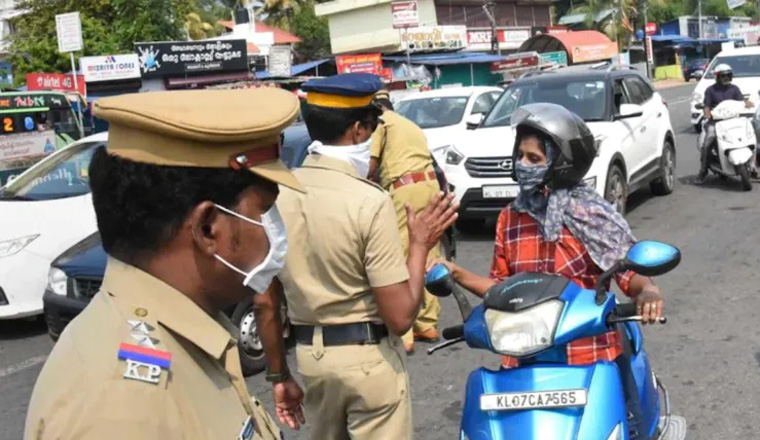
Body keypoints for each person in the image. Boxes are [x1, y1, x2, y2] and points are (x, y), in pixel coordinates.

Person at [24, 88, 306, 439]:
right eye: (265, 212)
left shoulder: (183, 336)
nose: (275, 230)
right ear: (208, 229)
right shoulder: (123, 410)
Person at [268, 73, 458, 440]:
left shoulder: (279, 194)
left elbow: (265, 300)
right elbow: (401, 316)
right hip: (368, 360)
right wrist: (419, 245)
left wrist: (278, 375)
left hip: (312, 359)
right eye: (370, 128)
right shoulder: (369, 201)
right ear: (357, 130)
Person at [429, 103, 665, 371]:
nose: (522, 165)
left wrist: (648, 291)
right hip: (525, 357)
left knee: (626, 410)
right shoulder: (511, 218)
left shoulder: (591, 215)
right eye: (519, 155)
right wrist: (456, 273)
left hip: (590, 357)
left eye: (533, 159)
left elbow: (629, 272)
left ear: (561, 164)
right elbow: (501, 289)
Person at [369, 90, 443, 353]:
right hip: (430, 185)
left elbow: (370, 165)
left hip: (405, 190)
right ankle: (428, 324)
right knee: (428, 250)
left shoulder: (380, 123)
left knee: (401, 254)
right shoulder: (409, 124)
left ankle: (406, 333)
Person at [696, 64, 760, 184]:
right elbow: (706, 105)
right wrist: (707, 113)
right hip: (716, 122)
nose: (726, 78)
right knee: (709, 140)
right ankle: (703, 171)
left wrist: (747, 103)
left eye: (728, 75)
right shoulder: (710, 90)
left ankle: (753, 170)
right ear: (717, 77)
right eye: (723, 76)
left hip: (734, 120)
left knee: (751, 138)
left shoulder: (734, 89)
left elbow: (740, 101)